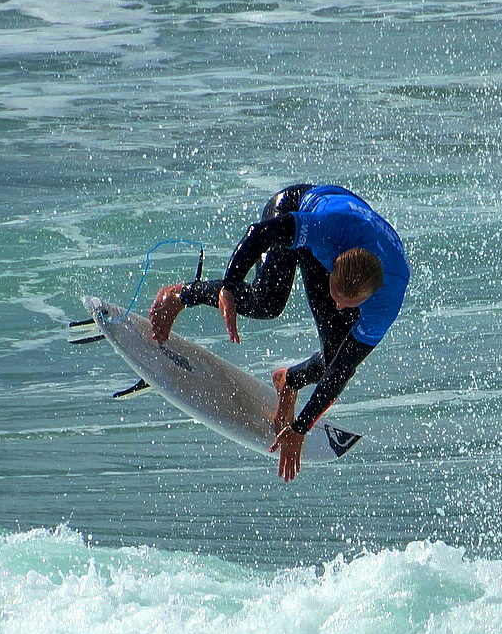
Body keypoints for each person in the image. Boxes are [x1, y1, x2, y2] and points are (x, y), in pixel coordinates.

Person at [147, 183, 408, 482]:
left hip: (355, 254)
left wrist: (300, 428)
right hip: (298, 207)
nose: (336, 306)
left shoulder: (385, 303)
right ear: (333, 264)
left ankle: (289, 380)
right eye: (335, 295)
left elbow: (342, 369)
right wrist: (229, 287)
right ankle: (180, 295)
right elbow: (260, 233)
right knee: (266, 301)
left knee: (334, 357)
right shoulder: (324, 230)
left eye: (347, 304)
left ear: (371, 296)